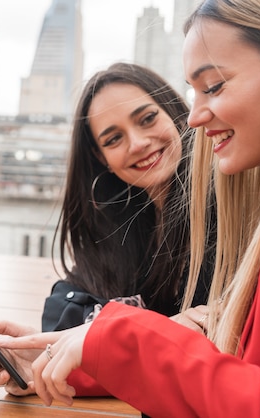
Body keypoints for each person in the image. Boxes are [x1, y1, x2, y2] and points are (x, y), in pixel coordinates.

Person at [0, 0, 260, 416]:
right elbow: (246, 364)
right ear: (100, 163)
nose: (195, 115)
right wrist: (58, 356)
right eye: (112, 139)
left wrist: (124, 337)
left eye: (213, 86)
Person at [42, 62, 215, 332]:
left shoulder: (218, 205)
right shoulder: (121, 221)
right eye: (113, 139)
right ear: (103, 159)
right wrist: (156, 328)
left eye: (147, 119)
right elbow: (65, 307)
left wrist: (130, 331)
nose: (137, 143)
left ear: (173, 112)